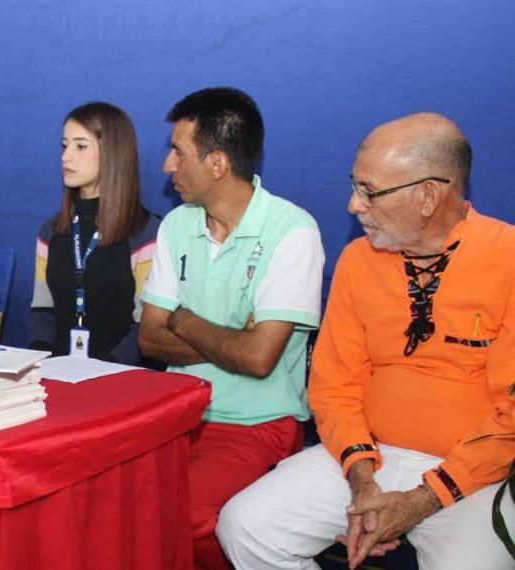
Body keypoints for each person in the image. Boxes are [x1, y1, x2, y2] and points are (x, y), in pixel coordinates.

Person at [217, 113, 515, 570]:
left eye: (369, 191)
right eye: (355, 186)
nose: (353, 206)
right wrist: (363, 481)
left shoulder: (508, 257)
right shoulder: (358, 259)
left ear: (429, 195)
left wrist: (422, 499)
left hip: (476, 476)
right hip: (363, 459)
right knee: (244, 525)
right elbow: (334, 386)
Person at [137, 87, 325, 569]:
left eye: (177, 151)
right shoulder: (177, 224)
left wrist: (185, 319)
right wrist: (231, 339)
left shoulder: (292, 231)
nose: (166, 166)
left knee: (188, 515)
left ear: (217, 162)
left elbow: (258, 360)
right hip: (176, 416)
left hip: (256, 424)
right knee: (119, 504)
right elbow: (150, 337)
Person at [28, 102, 161, 364]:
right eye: (64, 145)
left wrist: (104, 373)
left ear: (113, 153)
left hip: (121, 379)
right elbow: (42, 310)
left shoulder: (148, 234)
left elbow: (145, 326)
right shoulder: (50, 232)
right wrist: (40, 363)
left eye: (80, 146)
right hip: (59, 377)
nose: (66, 156)